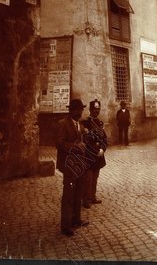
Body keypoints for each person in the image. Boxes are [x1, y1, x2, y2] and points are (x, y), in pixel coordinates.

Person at [56, 98, 89, 236]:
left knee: (78, 192)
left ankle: (76, 219)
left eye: (81, 109)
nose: (79, 112)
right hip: (68, 165)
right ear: (71, 111)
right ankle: (66, 225)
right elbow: (60, 143)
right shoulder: (62, 124)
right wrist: (76, 146)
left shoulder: (79, 125)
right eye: (76, 110)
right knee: (69, 194)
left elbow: (80, 141)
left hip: (79, 165)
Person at [81, 99, 107, 208]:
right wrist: (96, 150)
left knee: (95, 176)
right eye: (94, 109)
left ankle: (93, 196)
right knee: (88, 177)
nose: (96, 111)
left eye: (98, 109)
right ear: (90, 109)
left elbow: (104, 139)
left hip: (98, 155)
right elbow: (86, 140)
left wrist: (103, 149)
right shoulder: (85, 123)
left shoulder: (100, 123)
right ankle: (86, 199)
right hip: (89, 154)